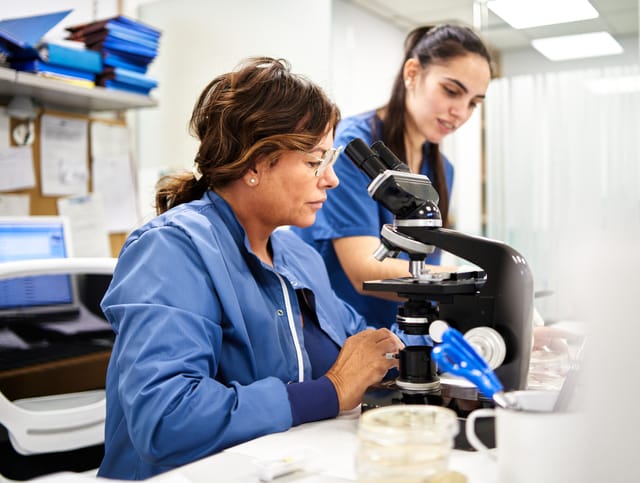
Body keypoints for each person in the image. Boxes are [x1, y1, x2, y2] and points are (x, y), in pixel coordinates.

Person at [97, 57, 406, 480]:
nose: (331, 179)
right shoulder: (172, 250)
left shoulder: (297, 256)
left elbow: (359, 343)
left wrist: (439, 344)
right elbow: (165, 418)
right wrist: (330, 391)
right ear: (255, 164)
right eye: (315, 161)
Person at [293, 24, 493, 329]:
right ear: (412, 73)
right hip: (341, 334)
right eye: (452, 91)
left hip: (402, 333)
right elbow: (365, 270)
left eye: (474, 103)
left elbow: (423, 268)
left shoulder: (441, 169)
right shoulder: (352, 147)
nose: (461, 112)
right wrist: (476, 281)